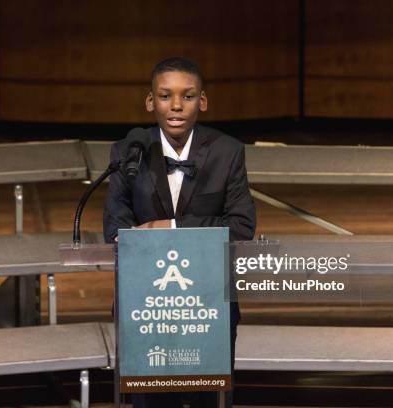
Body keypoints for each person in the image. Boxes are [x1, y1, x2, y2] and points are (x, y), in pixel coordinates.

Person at [103, 57, 256, 408]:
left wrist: (170, 227)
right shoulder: (128, 152)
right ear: (150, 101)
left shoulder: (227, 152)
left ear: (202, 101)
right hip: (146, 306)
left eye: (187, 96)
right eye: (165, 96)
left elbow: (242, 226)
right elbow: (115, 226)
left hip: (208, 305)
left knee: (210, 398)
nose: (175, 105)